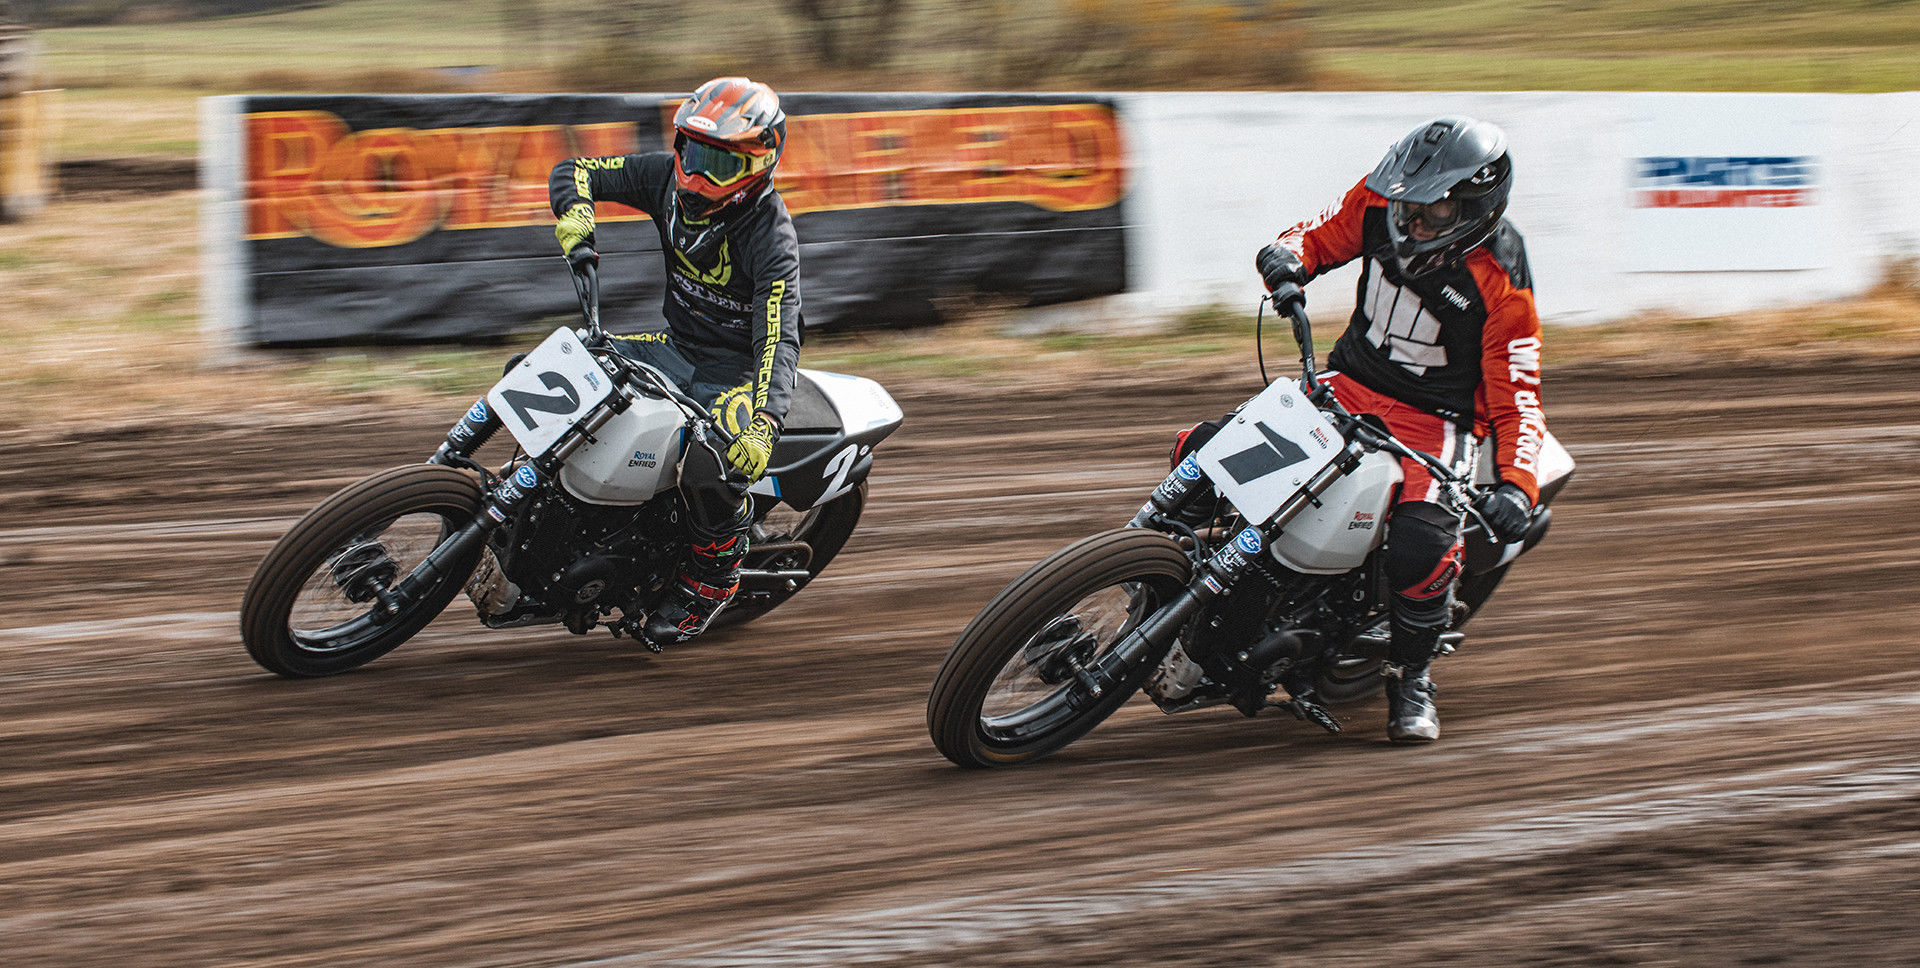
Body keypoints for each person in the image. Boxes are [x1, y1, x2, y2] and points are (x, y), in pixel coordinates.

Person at [1252, 115, 1546, 743]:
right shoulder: (1384, 201)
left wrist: (1518, 485)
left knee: (1420, 547)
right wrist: (1288, 257)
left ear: (1475, 207)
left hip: (1434, 422)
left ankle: (1411, 671)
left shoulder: (1503, 284)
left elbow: (1519, 401)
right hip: (1348, 383)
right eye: (1407, 202)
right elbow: (1316, 235)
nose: (1409, 220)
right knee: (1204, 450)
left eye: (1430, 211)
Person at [548, 76, 802, 645]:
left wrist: (764, 423)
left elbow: (779, 336)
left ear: (760, 165)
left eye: (720, 163)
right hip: (674, 346)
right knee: (547, 361)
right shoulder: (665, 178)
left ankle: (713, 577)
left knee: (713, 462)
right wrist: (576, 214)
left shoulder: (771, 235)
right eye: (691, 151)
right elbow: (577, 170)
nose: (697, 175)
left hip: (732, 371)